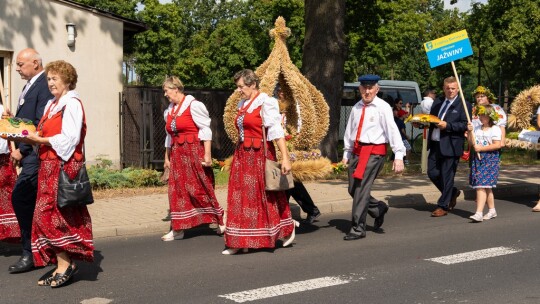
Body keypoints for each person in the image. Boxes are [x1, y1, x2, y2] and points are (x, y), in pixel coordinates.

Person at [11, 60, 93, 287]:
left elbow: (70, 139)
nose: (50, 83)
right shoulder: (52, 105)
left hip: (63, 167)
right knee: (44, 217)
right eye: (48, 79)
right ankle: (61, 264)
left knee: (52, 217)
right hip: (47, 167)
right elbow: (39, 132)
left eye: (55, 78)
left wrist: (39, 139)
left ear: (67, 80)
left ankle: (67, 264)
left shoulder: (72, 103)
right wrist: (15, 129)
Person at [223, 69, 296, 255]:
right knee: (241, 197)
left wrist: (285, 158)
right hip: (242, 155)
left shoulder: (266, 102)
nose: (238, 90)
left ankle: (285, 228)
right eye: (237, 86)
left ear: (253, 84)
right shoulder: (243, 103)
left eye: (241, 86)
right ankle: (241, 240)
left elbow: (276, 132)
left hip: (260, 154)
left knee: (266, 195)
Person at [3, 48, 52, 274]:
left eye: (21, 64)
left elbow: (39, 122)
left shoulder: (43, 85)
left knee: (21, 198)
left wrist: (22, 150)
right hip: (29, 152)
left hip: (34, 153)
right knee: (31, 202)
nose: (17, 68)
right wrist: (11, 122)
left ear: (35, 63)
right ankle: (41, 248)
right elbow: (26, 120)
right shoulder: (31, 84)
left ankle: (30, 252)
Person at [341, 74, 405, 240]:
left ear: (377, 89)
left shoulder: (382, 107)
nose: (367, 91)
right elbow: (350, 131)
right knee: (352, 189)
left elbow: (392, 130)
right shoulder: (356, 107)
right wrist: (346, 153)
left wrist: (398, 154)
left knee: (361, 189)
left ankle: (358, 228)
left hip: (374, 153)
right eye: (364, 88)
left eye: (370, 88)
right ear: (360, 89)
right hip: (356, 152)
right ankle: (377, 208)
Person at [161, 76, 225, 241]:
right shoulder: (169, 110)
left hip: (194, 152)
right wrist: (166, 157)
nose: (165, 94)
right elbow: (169, 136)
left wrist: (207, 154)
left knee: (199, 188)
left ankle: (220, 219)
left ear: (176, 89)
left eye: (166, 91)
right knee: (176, 190)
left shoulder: (194, 105)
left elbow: (206, 130)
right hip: (177, 154)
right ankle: (178, 228)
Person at [275, 85, 321, 224]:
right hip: (279, 146)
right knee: (291, 182)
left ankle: (281, 214)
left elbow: (300, 127)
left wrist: (293, 138)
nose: (281, 95)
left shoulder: (295, 109)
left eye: (283, 92)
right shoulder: (275, 108)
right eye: (279, 92)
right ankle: (310, 210)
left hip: (291, 147)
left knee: (288, 181)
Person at [428, 76, 472, 217]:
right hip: (435, 143)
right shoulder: (438, 102)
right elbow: (432, 120)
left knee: (448, 176)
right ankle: (451, 192)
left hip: (451, 145)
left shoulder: (464, 104)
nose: (450, 91)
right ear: (443, 88)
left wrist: (448, 126)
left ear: (458, 89)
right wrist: (422, 123)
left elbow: (465, 124)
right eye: (448, 88)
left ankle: (443, 205)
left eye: (453, 88)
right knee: (432, 172)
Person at [467, 105, 501, 222]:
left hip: (490, 159)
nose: (481, 117)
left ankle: (478, 213)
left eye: (484, 115)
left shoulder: (495, 129)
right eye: (480, 115)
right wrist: (470, 132)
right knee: (486, 187)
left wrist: (482, 148)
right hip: (478, 158)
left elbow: (497, 145)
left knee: (481, 185)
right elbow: (472, 143)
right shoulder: (477, 128)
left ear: (490, 116)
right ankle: (492, 210)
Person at [0, 102, 19, 243]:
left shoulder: (2, 109)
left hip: (3, 158)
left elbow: (11, 131)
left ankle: (9, 231)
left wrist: (10, 121)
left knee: (6, 192)